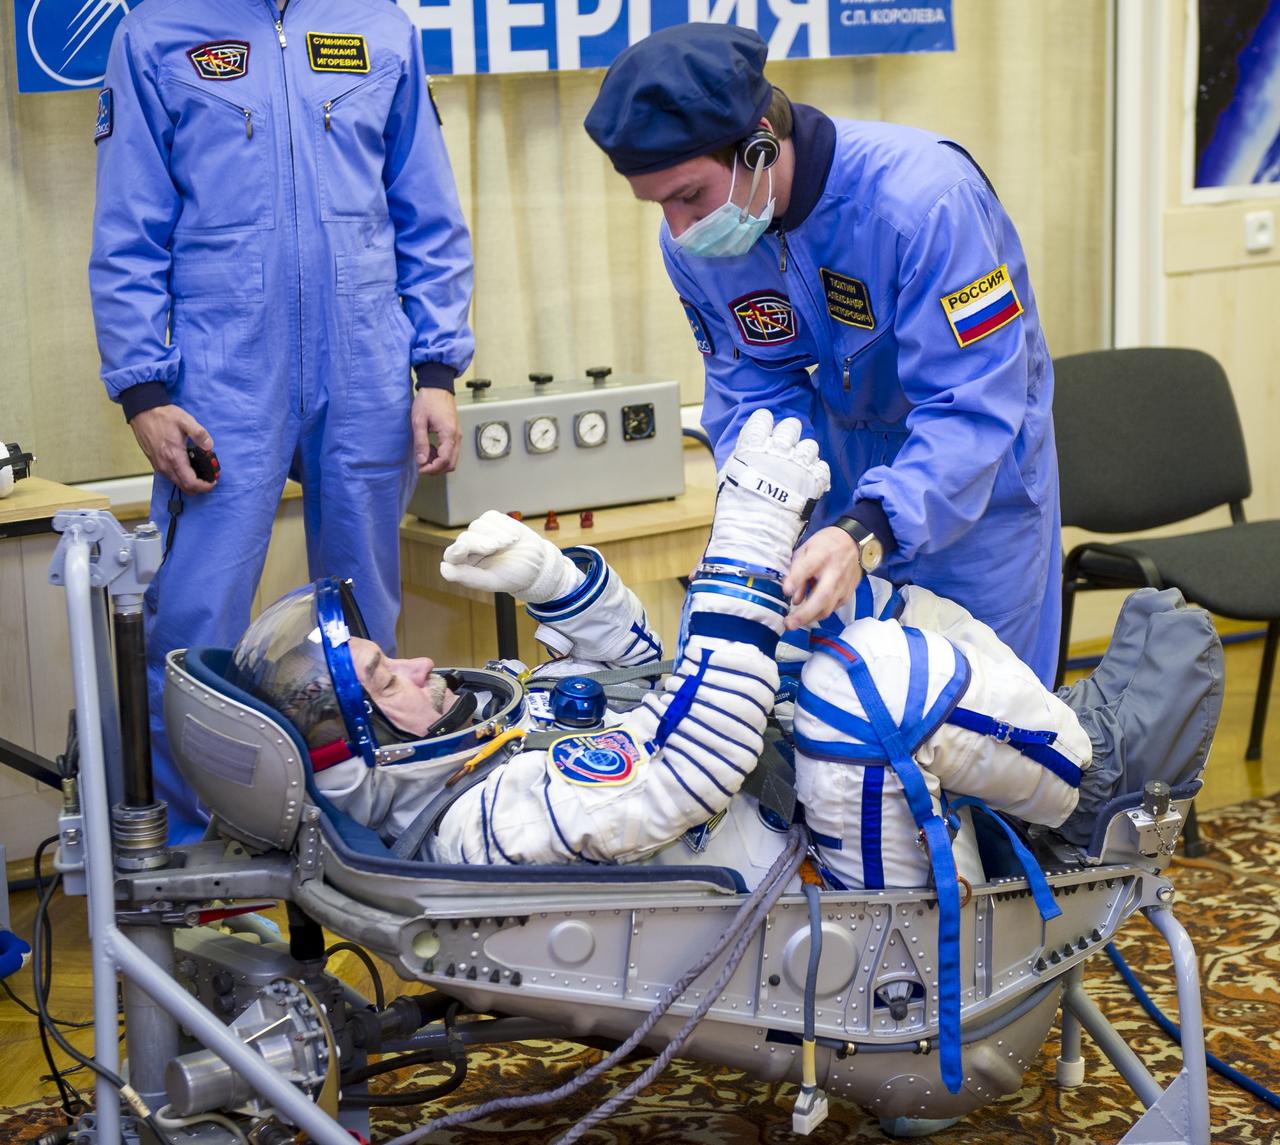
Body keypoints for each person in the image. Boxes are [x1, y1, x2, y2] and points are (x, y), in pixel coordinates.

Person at [221, 415, 1222, 886]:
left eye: (387, 651)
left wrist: (548, 580)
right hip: (843, 917)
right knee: (863, 686)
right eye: (383, 677)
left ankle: (1048, 769)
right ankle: (1092, 800)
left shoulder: (483, 755)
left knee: (833, 602)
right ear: (359, 750)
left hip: (800, 829)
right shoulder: (488, 816)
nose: (417, 664)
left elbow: (647, 679)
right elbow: (686, 760)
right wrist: (742, 537)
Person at [89, 0, 475, 840]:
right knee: (193, 627)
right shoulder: (157, 32)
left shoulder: (381, 27)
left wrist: (437, 369)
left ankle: (364, 835)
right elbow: (128, 228)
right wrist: (144, 392)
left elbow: (429, 211)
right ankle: (188, 861)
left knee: (363, 627)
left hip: (368, 360)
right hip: (222, 372)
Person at [583, 22, 1063, 687]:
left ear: (757, 146)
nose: (678, 230)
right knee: (845, 746)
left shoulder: (926, 203)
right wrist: (762, 519)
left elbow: (976, 402)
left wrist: (867, 530)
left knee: (987, 738)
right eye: (656, 205)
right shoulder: (702, 246)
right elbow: (751, 394)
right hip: (839, 496)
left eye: (688, 196)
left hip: (974, 499)